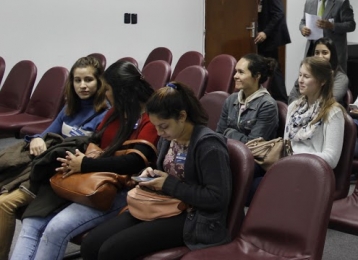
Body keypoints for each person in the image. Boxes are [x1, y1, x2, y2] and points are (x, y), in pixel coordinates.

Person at [10, 61, 159, 260]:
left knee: (56, 228)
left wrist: (86, 164)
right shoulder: (115, 112)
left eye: (108, 90)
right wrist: (76, 159)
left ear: (122, 91)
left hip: (118, 189)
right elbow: (93, 141)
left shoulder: (152, 117)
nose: (105, 94)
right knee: (32, 221)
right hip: (89, 179)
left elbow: (134, 162)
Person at [80, 82, 232, 260]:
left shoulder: (209, 146)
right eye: (156, 126)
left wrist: (167, 184)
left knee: (110, 251)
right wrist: (150, 173)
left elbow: (217, 198)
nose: (159, 132)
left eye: (164, 126)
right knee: (90, 244)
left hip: (193, 217)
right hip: (162, 204)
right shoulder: (170, 138)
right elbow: (165, 171)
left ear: (182, 116)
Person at [0, 56, 109, 260]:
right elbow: (47, 133)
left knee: (4, 204)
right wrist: (36, 139)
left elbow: (92, 152)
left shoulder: (104, 113)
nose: (83, 85)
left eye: (88, 80)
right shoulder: (70, 108)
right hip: (45, 165)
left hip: (64, 174)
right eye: (77, 80)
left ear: (99, 82)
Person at [285, 56, 345, 168]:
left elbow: (331, 159)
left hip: (313, 170)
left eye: (306, 76)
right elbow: (286, 145)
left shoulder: (333, 112)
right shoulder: (294, 107)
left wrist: (295, 157)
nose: (300, 81)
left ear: (322, 81)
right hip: (290, 166)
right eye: (300, 75)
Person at [299, 0, 356, 72]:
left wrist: (332, 26)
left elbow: (351, 25)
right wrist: (303, 29)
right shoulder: (310, 0)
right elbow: (303, 21)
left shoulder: (342, 2)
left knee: (333, 81)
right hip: (313, 49)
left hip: (333, 51)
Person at [216, 54, 279, 143]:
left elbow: (252, 144)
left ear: (257, 76)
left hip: (252, 156)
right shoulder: (231, 100)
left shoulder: (267, 105)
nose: (235, 76)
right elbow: (218, 134)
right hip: (227, 151)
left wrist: (229, 132)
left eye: (241, 72)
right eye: (236, 71)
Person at [255, 0, 291, 102]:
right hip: (266, 39)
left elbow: (278, 13)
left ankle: (282, 100)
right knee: (270, 68)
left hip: (271, 38)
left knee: (274, 69)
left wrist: (265, 32)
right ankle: (276, 97)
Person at [288, 37, 349, 104]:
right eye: (317, 53)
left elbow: (329, 100)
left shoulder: (341, 78)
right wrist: (300, 107)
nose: (320, 56)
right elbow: (292, 97)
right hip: (301, 110)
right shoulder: (306, 73)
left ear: (332, 55)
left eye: (324, 53)